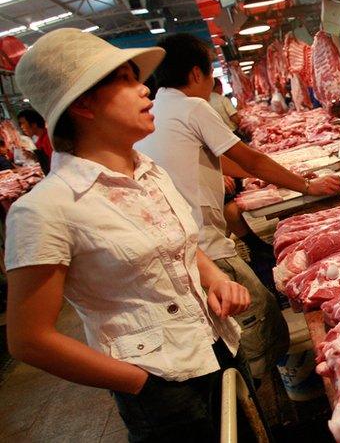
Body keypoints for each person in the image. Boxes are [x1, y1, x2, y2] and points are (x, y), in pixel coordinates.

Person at [5, 28, 250, 441]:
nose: (145, 91)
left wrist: (217, 280)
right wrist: (140, 382)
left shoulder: (150, 172)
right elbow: (29, 340)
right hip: (160, 386)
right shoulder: (43, 209)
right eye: (126, 80)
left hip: (218, 346)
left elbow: (182, 248)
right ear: (83, 103)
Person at [135, 33, 340, 385]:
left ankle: (259, 392)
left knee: (241, 324)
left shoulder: (159, 110)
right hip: (203, 245)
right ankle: (260, 398)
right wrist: (306, 186)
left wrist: (281, 177)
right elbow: (251, 160)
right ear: (197, 73)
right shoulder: (191, 107)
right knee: (260, 323)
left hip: (185, 243)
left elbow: (219, 162)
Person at [17, 108, 53, 174]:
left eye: (23, 123)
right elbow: (45, 160)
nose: (21, 127)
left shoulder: (48, 138)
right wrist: (33, 156)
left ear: (34, 124)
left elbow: (55, 163)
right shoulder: (39, 141)